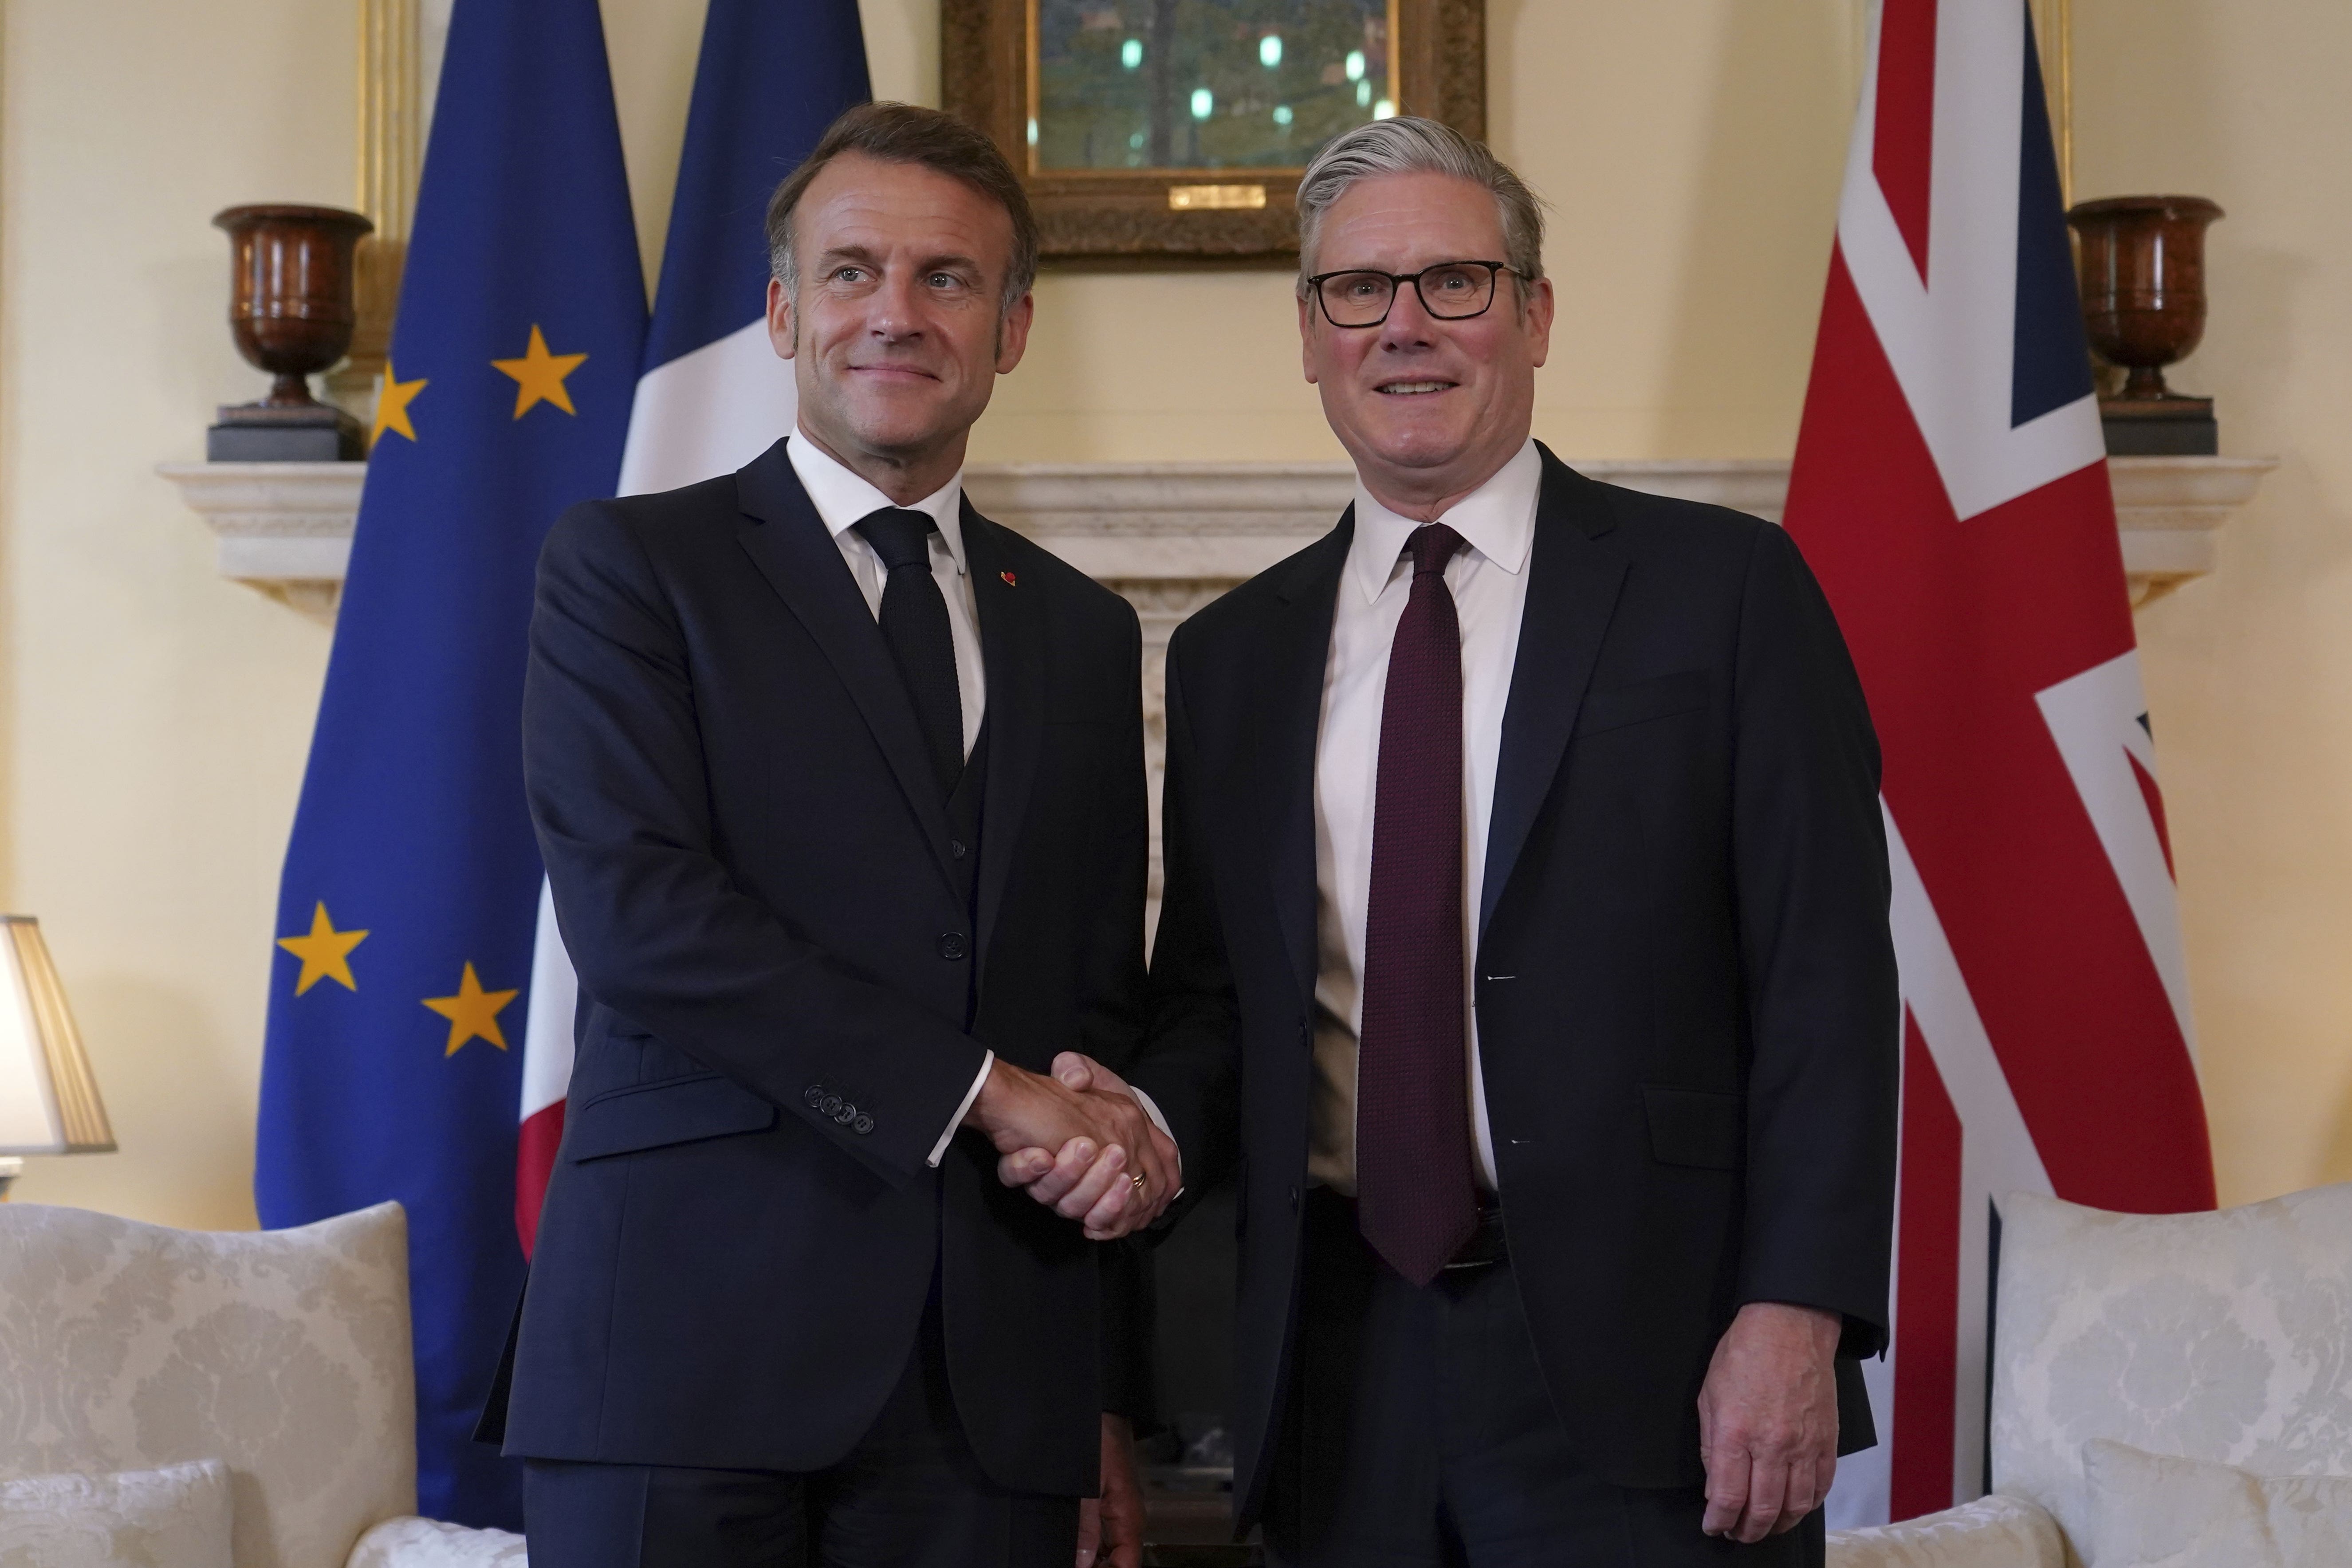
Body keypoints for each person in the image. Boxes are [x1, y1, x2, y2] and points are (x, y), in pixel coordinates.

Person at [1036, 118, 1899, 1565]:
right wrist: (1143, 1126)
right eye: (1358, 291)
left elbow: (1824, 978)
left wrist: (1794, 1314)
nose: (1406, 328)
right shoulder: (1234, 656)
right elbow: (1210, 998)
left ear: (1537, 314)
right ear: (1309, 335)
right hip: (1333, 1362)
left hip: (1661, 1358)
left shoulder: (1725, 593)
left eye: (1456, 282)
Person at [489, 102, 1179, 1568]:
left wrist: (1097, 1397)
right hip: (678, 1371)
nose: (898, 314)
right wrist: (990, 1095)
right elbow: (644, 921)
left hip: (987, 1405)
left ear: (1013, 327)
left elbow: (1086, 1012)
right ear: (782, 313)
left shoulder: (1082, 630)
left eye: (949, 278)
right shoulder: (630, 569)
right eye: (854, 270)